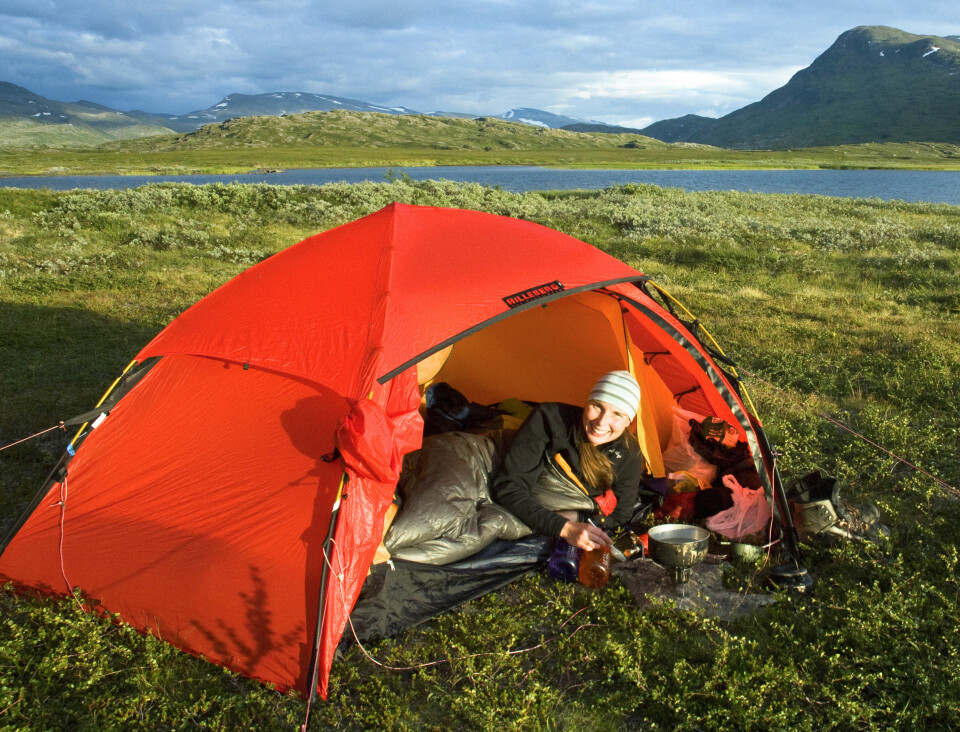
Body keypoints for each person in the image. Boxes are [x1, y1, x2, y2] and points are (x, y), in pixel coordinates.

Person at [492, 370, 643, 552]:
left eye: (617, 414)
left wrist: (579, 519)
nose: (602, 422)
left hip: (561, 518)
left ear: (628, 422)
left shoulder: (629, 453)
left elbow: (620, 515)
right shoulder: (550, 419)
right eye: (597, 406)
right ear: (587, 402)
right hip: (527, 509)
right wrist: (564, 527)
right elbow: (509, 487)